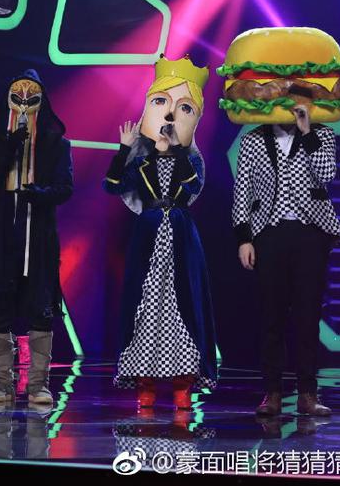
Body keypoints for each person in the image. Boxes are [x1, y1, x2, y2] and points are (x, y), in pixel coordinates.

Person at [223, 27, 340, 417]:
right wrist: (244, 238)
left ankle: (308, 393)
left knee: (308, 316)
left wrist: (307, 132)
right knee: (272, 317)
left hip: (311, 233)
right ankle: (272, 393)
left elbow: (326, 175)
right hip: (269, 233)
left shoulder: (323, 135)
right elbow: (242, 189)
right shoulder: (252, 139)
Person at [103, 55, 217, 411]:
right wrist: (124, 149)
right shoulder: (141, 163)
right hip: (149, 238)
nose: (169, 119)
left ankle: (183, 385)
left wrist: (177, 150)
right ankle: (145, 384)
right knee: (147, 310)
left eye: (182, 109)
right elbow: (111, 186)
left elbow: (192, 186)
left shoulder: (191, 160)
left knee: (183, 308)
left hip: (180, 238)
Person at [0, 70, 73, 405]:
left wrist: (40, 194)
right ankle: (1, 383)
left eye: (31, 99)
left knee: (40, 307)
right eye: (17, 98)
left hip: (40, 237)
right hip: (4, 234)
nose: (24, 104)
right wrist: (9, 147)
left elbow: (66, 187)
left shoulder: (57, 144)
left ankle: (38, 385)